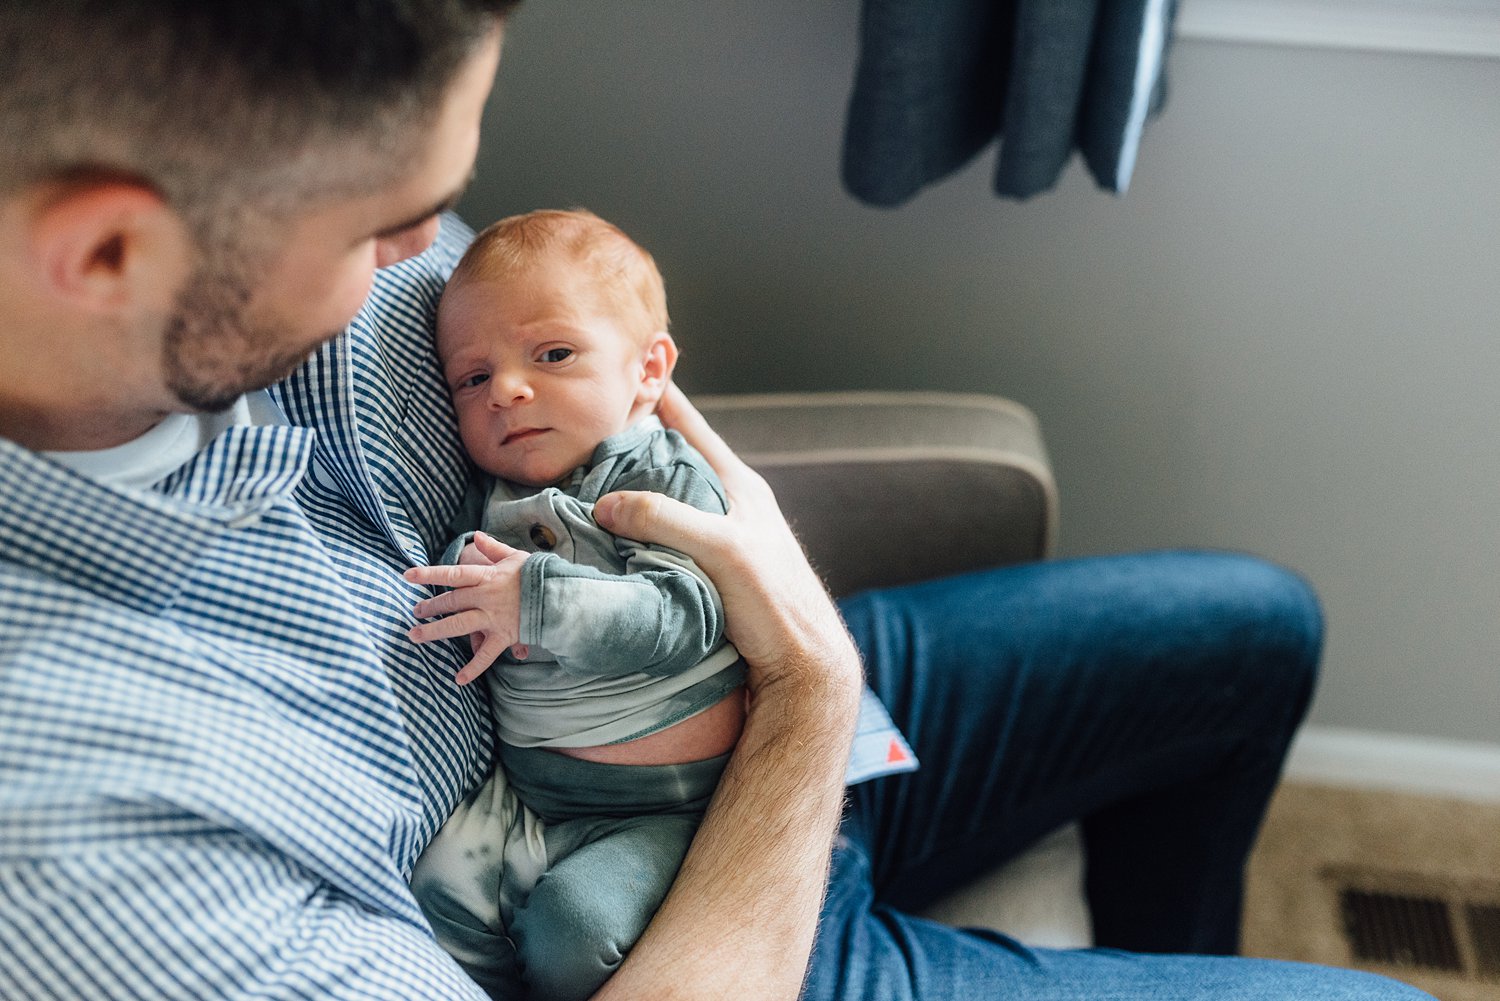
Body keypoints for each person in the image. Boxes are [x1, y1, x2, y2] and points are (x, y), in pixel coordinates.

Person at [0, 4, 1433, 1001]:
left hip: (702, 691)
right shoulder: (86, 851)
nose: (418, 256)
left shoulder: (259, 254)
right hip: (647, 912)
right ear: (111, 252)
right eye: (382, 220)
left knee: (1253, 628)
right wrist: (809, 686)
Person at [405, 208, 750, 1000]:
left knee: (576, 925)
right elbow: (459, 578)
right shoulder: (487, 496)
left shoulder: (664, 476)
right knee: (437, 890)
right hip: (530, 794)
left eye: (553, 353)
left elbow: (682, 615)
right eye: (473, 378)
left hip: (666, 810)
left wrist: (533, 598)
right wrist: (475, 580)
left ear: (648, 370)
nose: (508, 391)